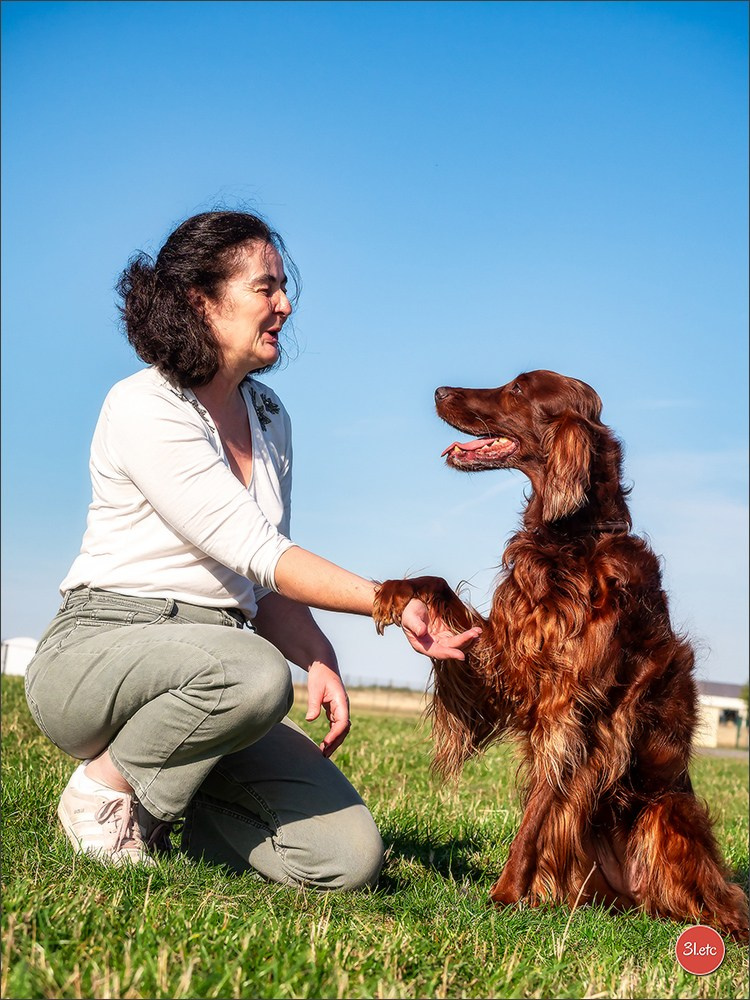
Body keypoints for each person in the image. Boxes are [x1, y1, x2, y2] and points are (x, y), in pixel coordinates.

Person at [24, 210, 481, 889]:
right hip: (101, 655)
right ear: (199, 301)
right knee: (255, 673)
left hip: (218, 667)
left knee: (347, 860)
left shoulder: (270, 417)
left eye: (283, 287)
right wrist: (392, 601)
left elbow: (261, 581)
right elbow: (254, 549)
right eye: (266, 288)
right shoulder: (145, 404)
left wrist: (318, 654)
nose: (285, 305)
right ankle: (102, 794)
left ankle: (178, 806)